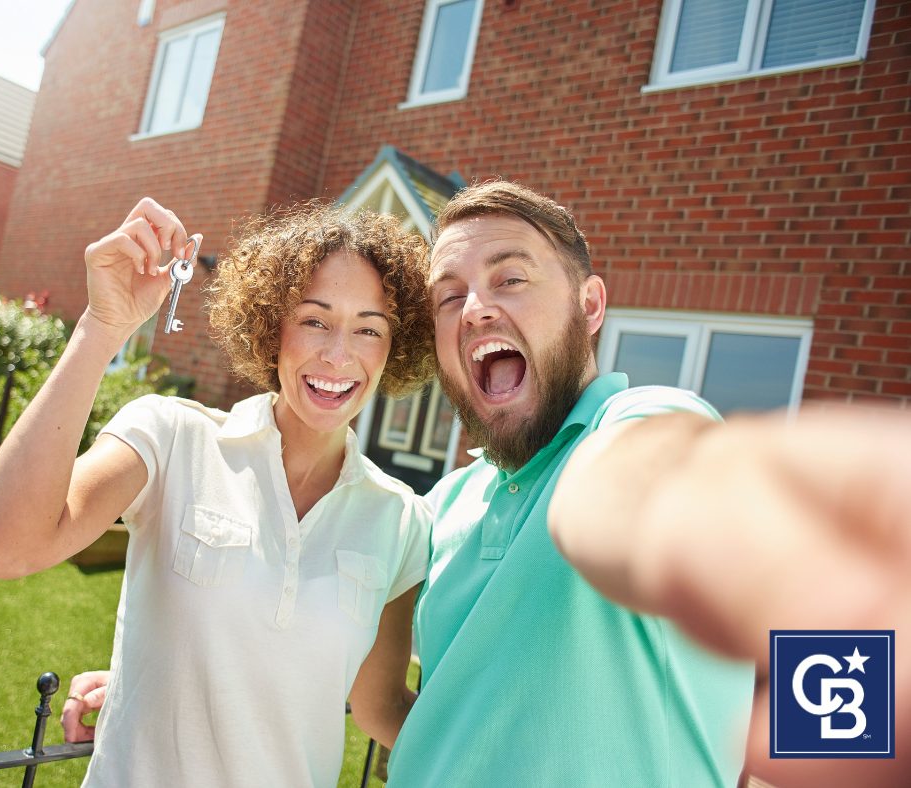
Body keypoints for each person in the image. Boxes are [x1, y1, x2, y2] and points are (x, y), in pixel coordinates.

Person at [0, 197, 437, 787]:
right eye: (314, 319)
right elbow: (0, 547)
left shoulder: (400, 519)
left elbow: (380, 707)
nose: (338, 354)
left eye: (369, 329)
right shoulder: (172, 437)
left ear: (393, 349)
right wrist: (102, 327)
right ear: (272, 329)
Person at [384, 180, 755, 786]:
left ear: (589, 308)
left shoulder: (653, 422)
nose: (474, 307)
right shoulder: (440, 505)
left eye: (510, 279)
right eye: (448, 297)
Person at [549, 405, 911, 787]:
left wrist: (740, 532)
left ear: (590, 339)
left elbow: (633, 465)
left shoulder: (629, 414)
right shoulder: (477, 482)